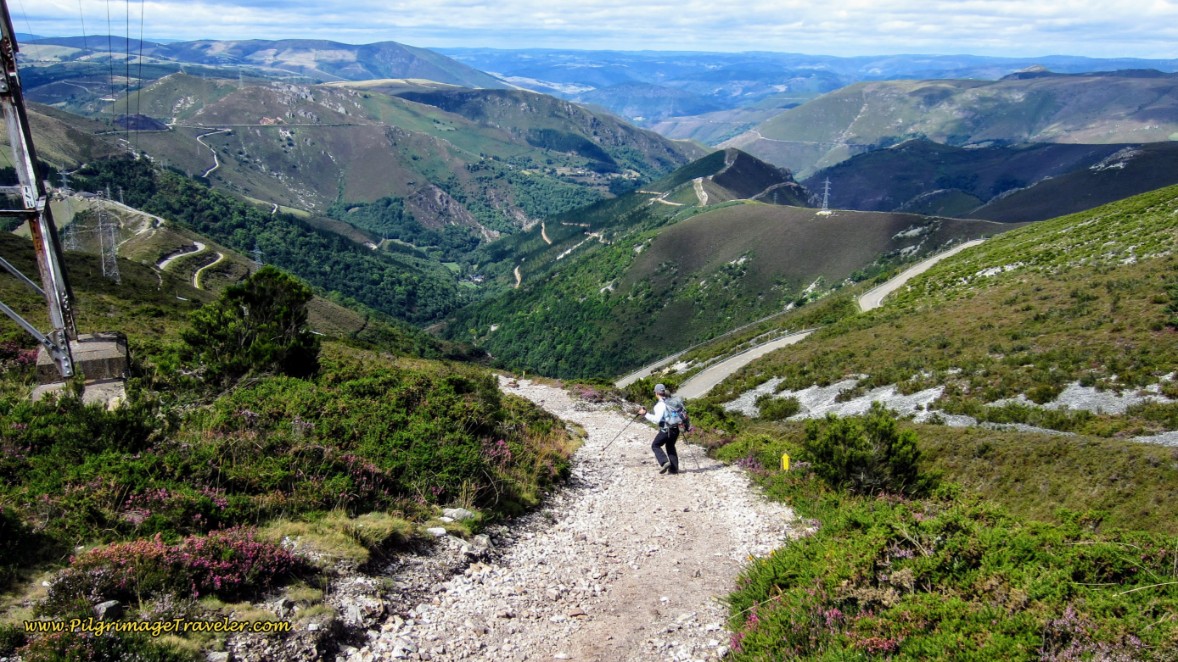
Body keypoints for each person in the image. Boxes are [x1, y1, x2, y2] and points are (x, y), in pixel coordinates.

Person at [637, 383, 679, 474]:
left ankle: (664, 462)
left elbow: (656, 420)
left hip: (666, 430)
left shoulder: (660, 405)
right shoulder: (671, 402)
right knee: (670, 446)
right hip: (676, 429)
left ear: (656, 393)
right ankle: (674, 469)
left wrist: (645, 414)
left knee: (655, 445)